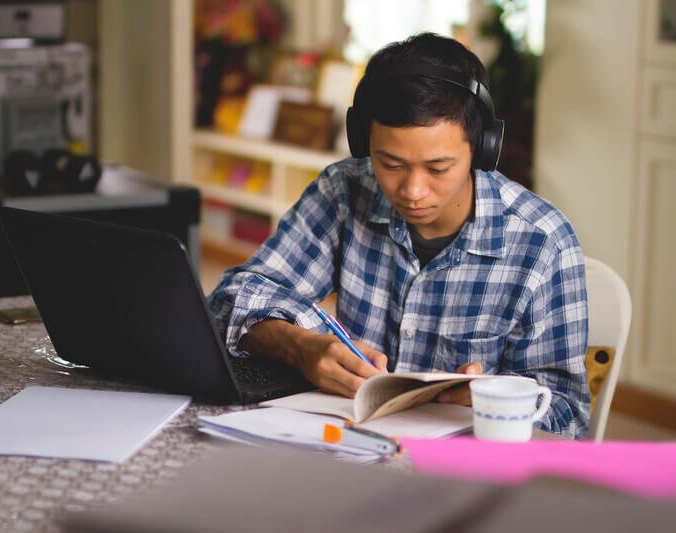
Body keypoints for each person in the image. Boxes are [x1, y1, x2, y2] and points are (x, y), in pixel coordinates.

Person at [207, 32, 589, 438]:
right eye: (390, 163)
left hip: (459, 472)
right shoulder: (343, 191)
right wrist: (299, 346)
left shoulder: (544, 244)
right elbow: (231, 299)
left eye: (438, 168)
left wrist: (495, 401)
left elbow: (569, 416)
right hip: (348, 448)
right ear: (362, 140)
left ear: (483, 148)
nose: (412, 191)